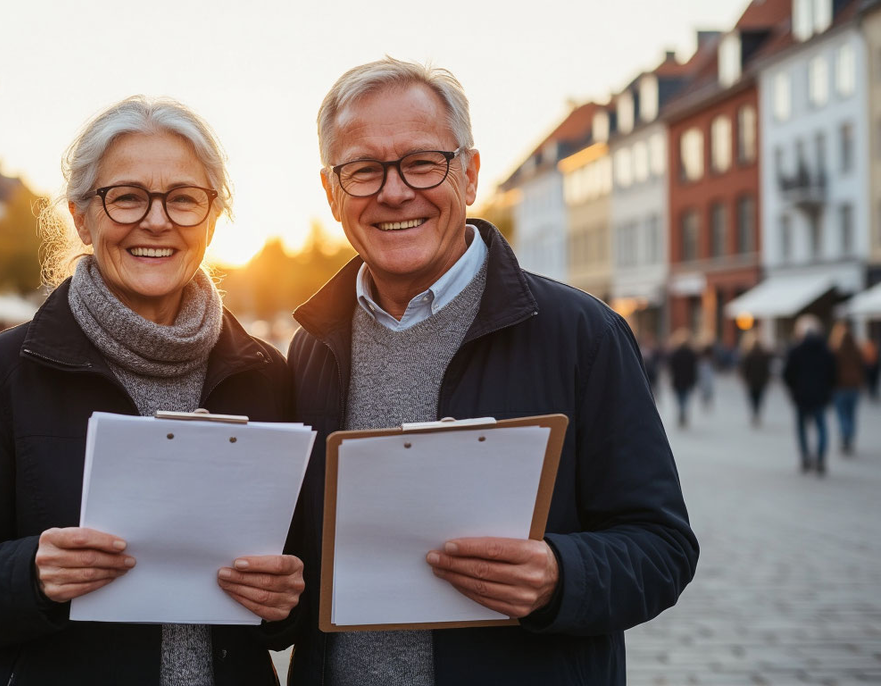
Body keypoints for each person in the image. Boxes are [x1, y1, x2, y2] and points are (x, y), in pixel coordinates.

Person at [285, 58, 698, 685]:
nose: (394, 192)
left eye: (422, 162)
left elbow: (663, 549)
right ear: (331, 192)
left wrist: (562, 573)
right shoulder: (313, 348)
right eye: (364, 169)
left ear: (470, 173)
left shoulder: (582, 335)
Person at [0, 96, 303, 684]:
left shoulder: (265, 373)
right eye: (127, 197)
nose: (157, 220)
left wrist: (283, 601)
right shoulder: (5, 370)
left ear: (212, 218)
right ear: (81, 217)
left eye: (184, 198)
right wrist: (32, 574)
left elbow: (295, 583)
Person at [782, 315, 837, 476]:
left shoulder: (795, 351)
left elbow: (787, 375)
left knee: (801, 429)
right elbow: (833, 376)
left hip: (801, 397)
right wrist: (827, 391)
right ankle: (820, 458)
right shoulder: (826, 351)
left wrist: (793, 390)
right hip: (820, 396)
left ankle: (805, 457)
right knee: (821, 428)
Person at [828, 322, 864, 456]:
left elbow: (831, 370)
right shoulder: (856, 350)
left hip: (840, 387)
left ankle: (845, 436)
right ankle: (849, 436)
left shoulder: (835, 351)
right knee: (851, 414)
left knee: (842, 414)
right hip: (853, 386)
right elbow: (862, 368)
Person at [738, 331, 771, 427]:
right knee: (759, 399)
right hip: (761, 381)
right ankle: (757, 412)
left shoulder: (749, 355)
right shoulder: (764, 355)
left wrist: (745, 379)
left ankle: (755, 413)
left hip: (752, 381)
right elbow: (767, 369)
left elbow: (745, 368)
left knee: (753, 398)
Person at [668, 328, 698, 428]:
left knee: (680, 397)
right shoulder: (692, 354)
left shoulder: (675, 354)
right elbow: (694, 369)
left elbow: (672, 368)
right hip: (687, 380)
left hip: (678, 380)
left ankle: (681, 411)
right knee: (685, 397)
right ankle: (683, 411)